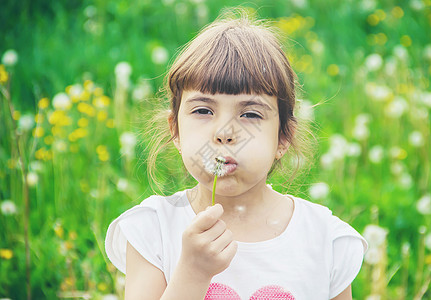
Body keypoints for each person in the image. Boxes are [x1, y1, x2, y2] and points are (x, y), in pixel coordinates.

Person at [105, 11, 367, 300]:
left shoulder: (325, 240)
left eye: (250, 114)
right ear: (175, 130)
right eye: (203, 110)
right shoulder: (152, 230)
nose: (224, 133)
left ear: (283, 138)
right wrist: (192, 273)